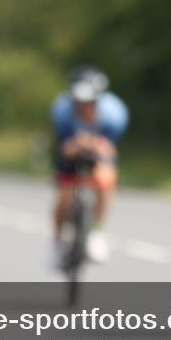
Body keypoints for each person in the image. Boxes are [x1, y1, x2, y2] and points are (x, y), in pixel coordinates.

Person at [50, 66, 129, 265]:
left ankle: (96, 231)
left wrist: (93, 145)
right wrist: (77, 145)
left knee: (106, 179)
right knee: (63, 198)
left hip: (98, 153)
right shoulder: (62, 110)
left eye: (89, 102)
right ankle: (57, 243)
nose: (83, 107)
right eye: (78, 102)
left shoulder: (114, 112)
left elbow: (109, 149)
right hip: (71, 152)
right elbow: (64, 148)